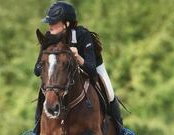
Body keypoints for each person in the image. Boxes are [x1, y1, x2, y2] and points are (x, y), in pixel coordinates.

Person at [33, 1, 124, 135]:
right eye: (49, 22)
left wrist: (78, 57)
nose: (49, 25)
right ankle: (36, 129)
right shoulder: (49, 39)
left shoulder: (82, 35)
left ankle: (121, 130)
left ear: (67, 24)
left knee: (109, 93)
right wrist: (51, 65)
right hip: (60, 73)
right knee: (45, 90)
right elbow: (37, 70)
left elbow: (92, 70)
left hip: (92, 66)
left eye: (54, 22)